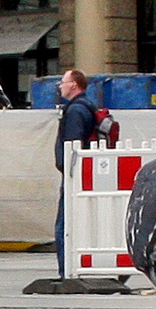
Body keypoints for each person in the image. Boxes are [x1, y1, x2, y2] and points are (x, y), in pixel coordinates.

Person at [54, 69, 97, 278]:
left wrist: (67, 169)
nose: (60, 86)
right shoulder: (85, 107)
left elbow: (73, 144)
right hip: (82, 173)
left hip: (74, 175)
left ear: (73, 85)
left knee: (64, 225)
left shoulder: (75, 111)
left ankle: (66, 271)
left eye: (63, 82)